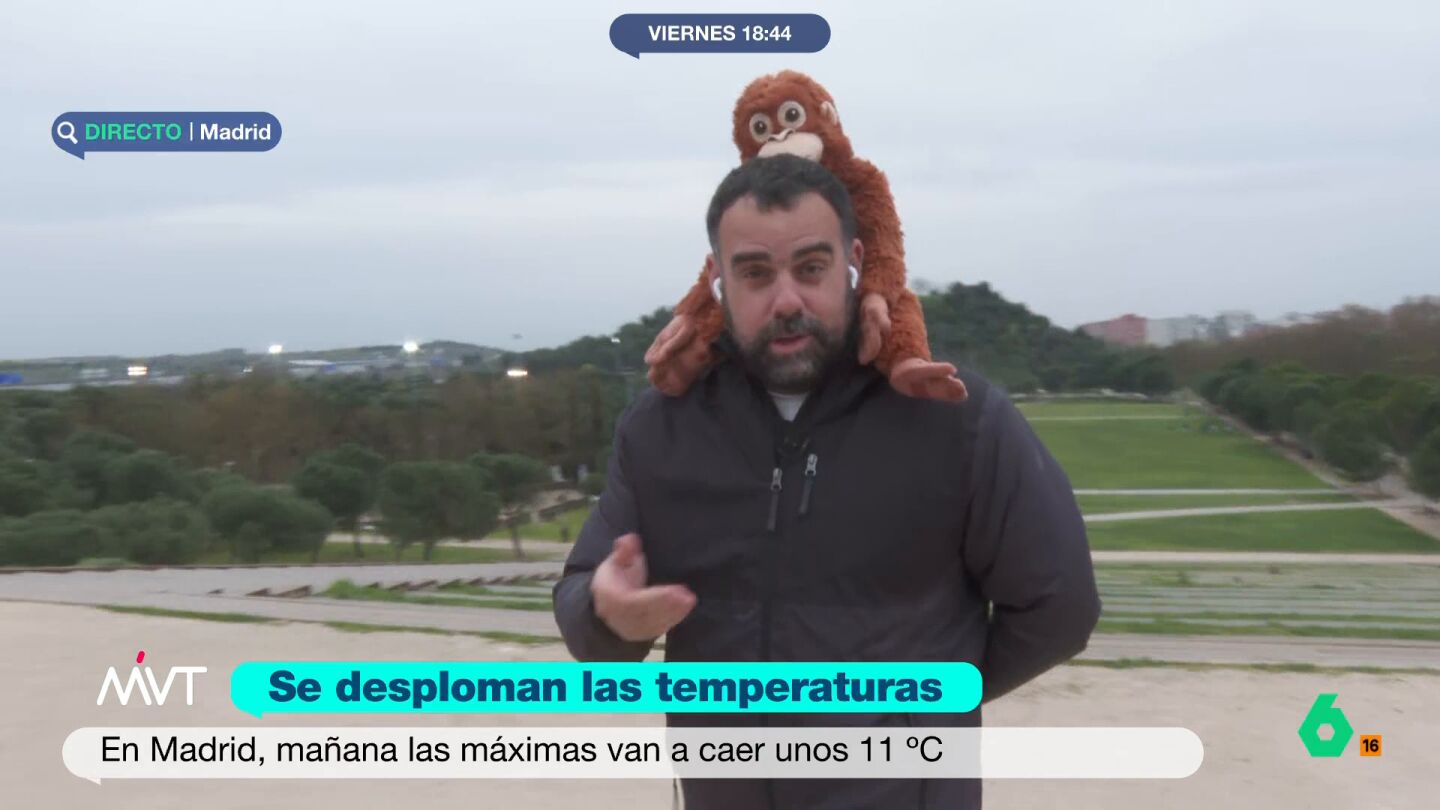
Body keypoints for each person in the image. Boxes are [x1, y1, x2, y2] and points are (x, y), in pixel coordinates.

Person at [553, 154, 1101, 809]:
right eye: (755, 274)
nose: (787, 300)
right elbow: (584, 605)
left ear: (853, 262)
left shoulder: (956, 416)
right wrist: (607, 614)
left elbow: (1060, 607)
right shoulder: (660, 428)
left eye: (811, 268)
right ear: (718, 282)